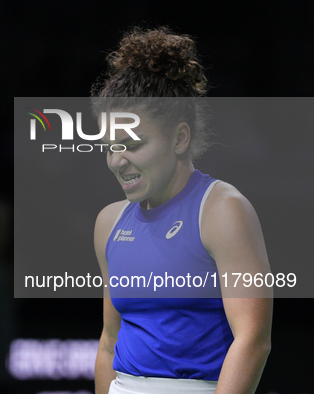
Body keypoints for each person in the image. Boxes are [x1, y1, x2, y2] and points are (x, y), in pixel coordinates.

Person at [91, 27, 272, 394]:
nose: (116, 160)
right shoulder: (109, 223)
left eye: (132, 144)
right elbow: (109, 340)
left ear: (179, 138)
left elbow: (253, 340)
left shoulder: (223, 211)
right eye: (109, 146)